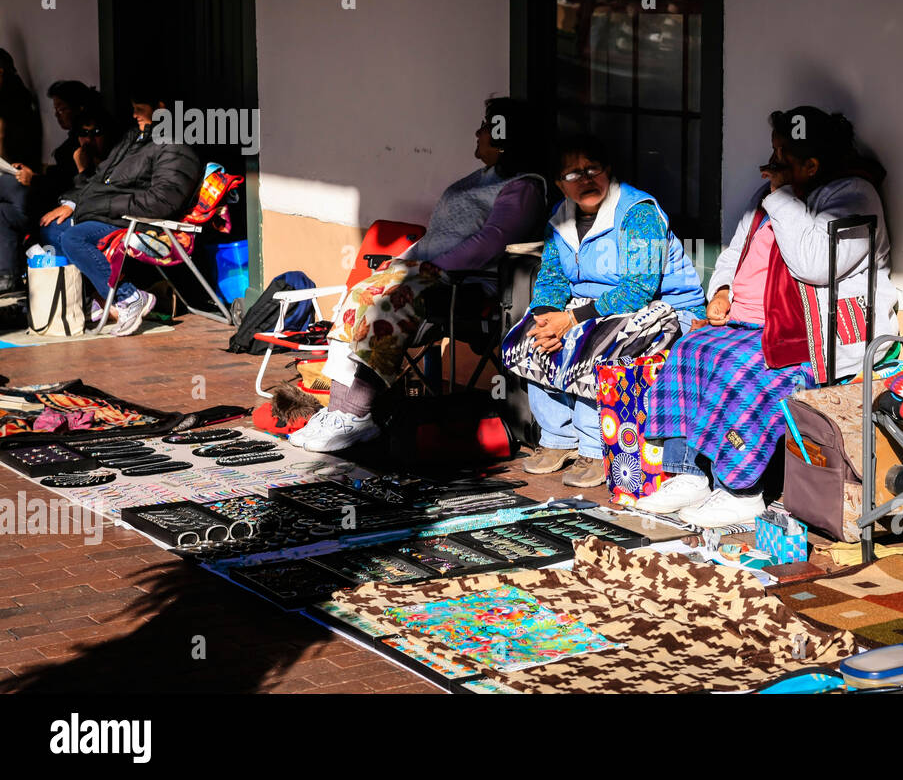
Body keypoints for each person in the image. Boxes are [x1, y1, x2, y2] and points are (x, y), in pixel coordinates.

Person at [639, 106, 900, 528]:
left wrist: (781, 198)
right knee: (691, 348)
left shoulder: (853, 196)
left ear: (812, 164)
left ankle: (740, 491)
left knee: (745, 371)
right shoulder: (770, 198)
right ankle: (688, 472)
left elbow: (815, 264)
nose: (772, 161)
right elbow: (735, 251)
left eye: (783, 153)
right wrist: (722, 288)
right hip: (755, 323)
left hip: (819, 338)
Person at [293, 97, 549, 453]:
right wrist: (400, 261)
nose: (477, 133)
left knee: (383, 306)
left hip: (468, 283)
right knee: (358, 295)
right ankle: (340, 410)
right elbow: (436, 236)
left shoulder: (525, 186)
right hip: (427, 272)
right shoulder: (481, 178)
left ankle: (358, 412)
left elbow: (491, 242)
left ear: (504, 135)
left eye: (486, 127)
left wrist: (435, 267)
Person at [504, 134, 707, 488]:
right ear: (558, 184)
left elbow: (639, 289)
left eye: (592, 169)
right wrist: (548, 317)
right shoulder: (560, 217)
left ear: (608, 171)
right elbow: (551, 275)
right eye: (573, 174)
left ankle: (595, 446)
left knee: (590, 341)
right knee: (532, 332)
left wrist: (571, 320)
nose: (585, 180)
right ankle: (557, 438)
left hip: (665, 311)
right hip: (592, 308)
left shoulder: (638, 212)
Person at [38, 90, 202, 336]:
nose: (134, 115)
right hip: (112, 214)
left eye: (140, 108)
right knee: (54, 228)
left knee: (74, 237)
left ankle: (128, 296)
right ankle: (99, 295)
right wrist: (72, 202)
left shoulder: (176, 147)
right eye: (133, 108)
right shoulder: (133, 140)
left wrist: (104, 204)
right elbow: (99, 180)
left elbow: (162, 202)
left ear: (161, 108)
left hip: (142, 223)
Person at [0, 49, 41, 294]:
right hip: (9, 188)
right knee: (1, 211)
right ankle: (7, 276)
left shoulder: (18, 102)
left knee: (12, 193)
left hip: (18, 177)